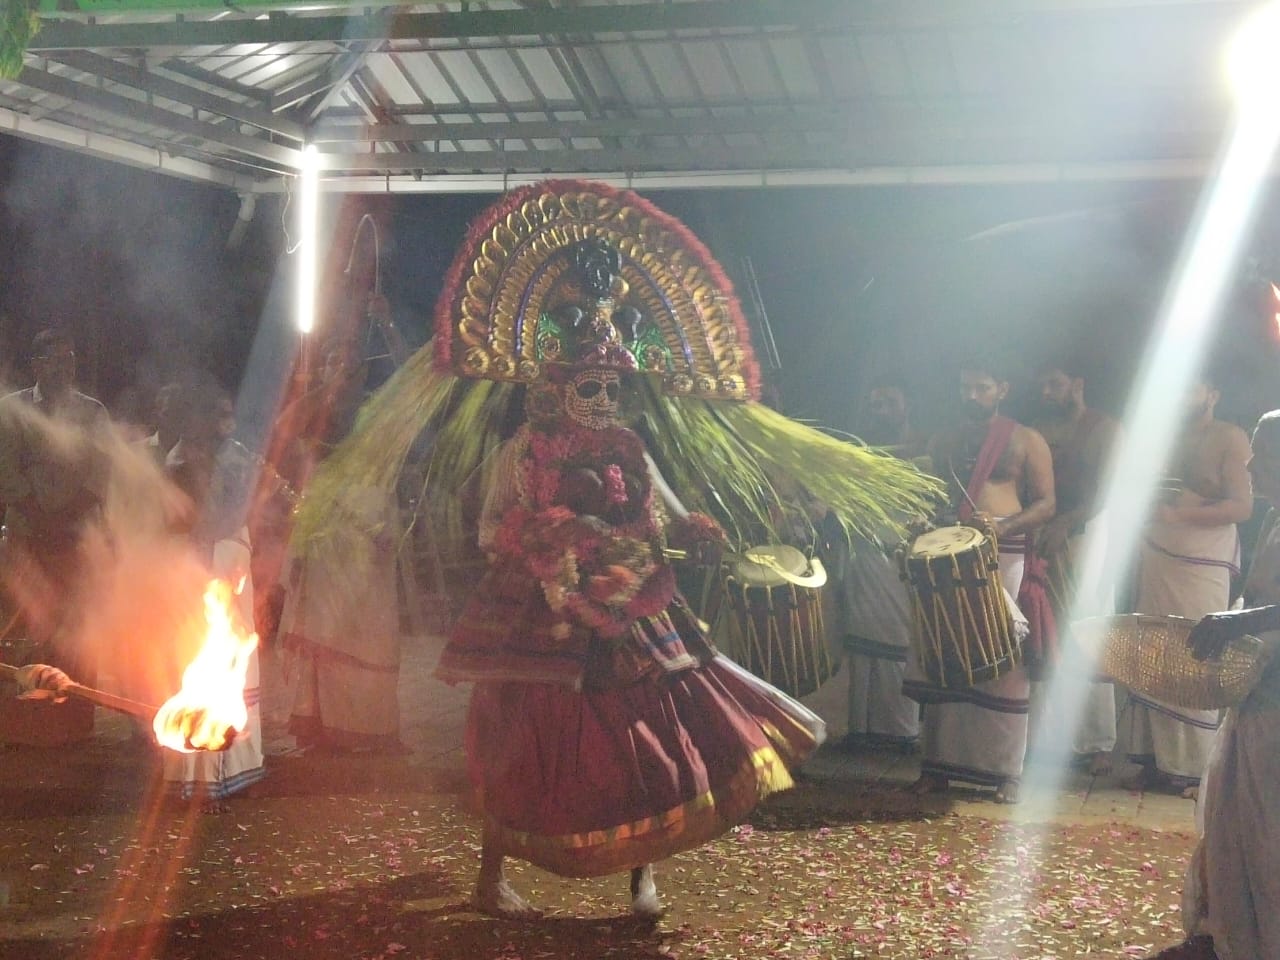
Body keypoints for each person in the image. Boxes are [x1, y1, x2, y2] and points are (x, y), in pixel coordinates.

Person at [1146, 410, 1280, 960]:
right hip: (1259, 691)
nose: (1249, 466)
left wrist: (1238, 621)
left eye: (1263, 453)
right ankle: (1230, 934)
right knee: (1236, 822)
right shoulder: (1273, 518)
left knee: (1269, 828)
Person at [904, 357, 1056, 803]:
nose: (971, 396)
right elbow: (931, 495)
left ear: (1002, 389)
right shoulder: (944, 439)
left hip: (1003, 554)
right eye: (965, 388)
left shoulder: (1026, 439)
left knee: (1003, 655)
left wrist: (1003, 527)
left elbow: (1047, 504)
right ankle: (937, 768)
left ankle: (1007, 774)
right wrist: (922, 521)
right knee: (947, 648)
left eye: (981, 387)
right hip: (950, 552)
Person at [1119, 374, 1251, 798]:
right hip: (1158, 552)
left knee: (1194, 649)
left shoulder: (1229, 438)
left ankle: (1194, 767)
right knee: (1151, 645)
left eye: (1191, 389)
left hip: (1201, 558)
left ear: (1213, 393)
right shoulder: (1162, 436)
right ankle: (1152, 760)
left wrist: (1181, 515)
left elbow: (1242, 506)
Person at [162, 381, 265, 805]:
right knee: (193, 658)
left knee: (231, 656)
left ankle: (232, 767)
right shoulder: (176, 460)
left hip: (227, 564)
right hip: (193, 567)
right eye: (213, 416)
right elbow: (179, 516)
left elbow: (240, 510)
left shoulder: (234, 457)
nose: (223, 424)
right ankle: (196, 772)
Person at [0, 329, 108, 684]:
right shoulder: (11, 410)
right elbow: (5, 471)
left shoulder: (92, 412)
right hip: (27, 538)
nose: (64, 368)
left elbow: (102, 471)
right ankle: (25, 707)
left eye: (69, 359)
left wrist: (69, 515)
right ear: (36, 365)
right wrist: (39, 515)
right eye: (55, 360)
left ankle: (76, 705)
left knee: (78, 627)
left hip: (77, 539)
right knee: (26, 625)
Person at [1032, 359, 1123, 774]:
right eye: (1042, 386)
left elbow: (1109, 489)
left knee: (1088, 627)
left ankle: (1096, 741)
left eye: (1054, 383)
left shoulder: (1105, 429)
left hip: (1088, 533)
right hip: (1043, 535)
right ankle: (1048, 739)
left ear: (1078, 384)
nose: (1046, 393)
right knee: (1045, 627)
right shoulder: (1037, 430)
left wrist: (1066, 524)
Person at [861, 383, 925, 455]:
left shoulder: (924, 446)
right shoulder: (862, 446)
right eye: (877, 405)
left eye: (892, 403)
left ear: (908, 405)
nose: (884, 411)